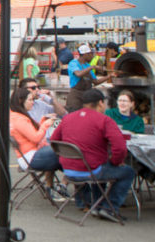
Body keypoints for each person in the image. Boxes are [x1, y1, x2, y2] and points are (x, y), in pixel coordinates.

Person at [50, 89, 135, 222]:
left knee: (100, 164)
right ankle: (109, 208)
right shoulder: (104, 120)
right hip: (91, 170)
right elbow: (120, 148)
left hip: (68, 170)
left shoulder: (68, 118)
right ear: (100, 103)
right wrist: (115, 162)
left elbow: (54, 140)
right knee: (128, 172)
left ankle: (97, 205)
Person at [66, 44, 109, 112]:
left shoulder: (87, 65)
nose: (92, 56)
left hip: (87, 96)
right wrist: (92, 67)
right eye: (90, 54)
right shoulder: (73, 63)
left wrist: (109, 76)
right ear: (85, 54)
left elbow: (95, 82)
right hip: (76, 96)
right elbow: (78, 74)